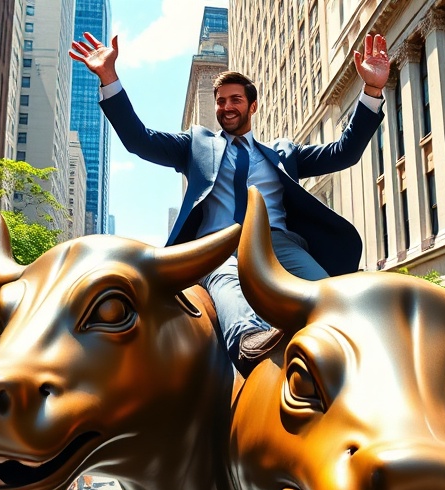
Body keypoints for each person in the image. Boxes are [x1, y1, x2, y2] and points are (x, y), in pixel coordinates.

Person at [70, 31, 390, 375]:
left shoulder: (283, 153)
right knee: (226, 283)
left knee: (332, 299)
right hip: (218, 247)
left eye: (235, 100)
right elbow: (139, 141)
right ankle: (249, 344)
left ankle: (351, 355)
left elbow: (345, 152)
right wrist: (109, 77)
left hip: (280, 244)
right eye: (220, 101)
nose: (226, 107)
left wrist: (371, 91)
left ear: (252, 106)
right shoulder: (196, 145)